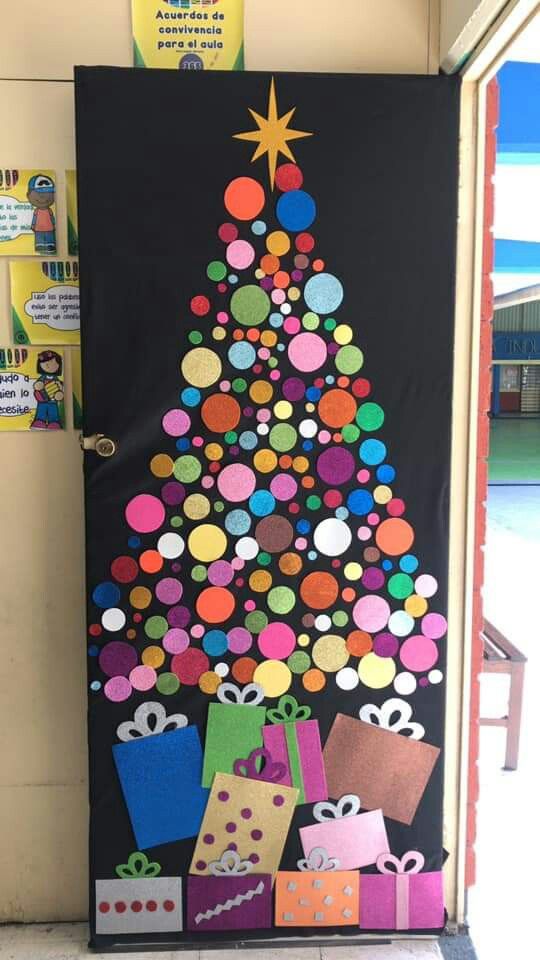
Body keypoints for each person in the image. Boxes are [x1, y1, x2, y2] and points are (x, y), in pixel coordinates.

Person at [31, 350, 63, 430]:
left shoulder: (56, 379)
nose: (49, 365)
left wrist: (59, 393)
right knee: (41, 411)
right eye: (46, 363)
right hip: (42, 400)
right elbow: (38, 384)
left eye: (53, 362)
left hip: (53, 401)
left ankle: (54, 422)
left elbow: (60, 386)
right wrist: (38, 386)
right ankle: (39, 421)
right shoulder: (42, 378)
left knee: (53, 412)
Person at [27, 174, 56, 254]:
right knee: (39, 239)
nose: (45, 198)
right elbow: (34, 219)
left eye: (49, 194)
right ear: (28, 196)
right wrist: (33, 225)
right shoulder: (36, 211)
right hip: (38, 228)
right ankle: (39, 246)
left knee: (49, 238)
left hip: (49, 228)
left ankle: (51, 245)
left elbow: (52, 218)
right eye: (40, 194)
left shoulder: (49, 210)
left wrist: (54, 225)